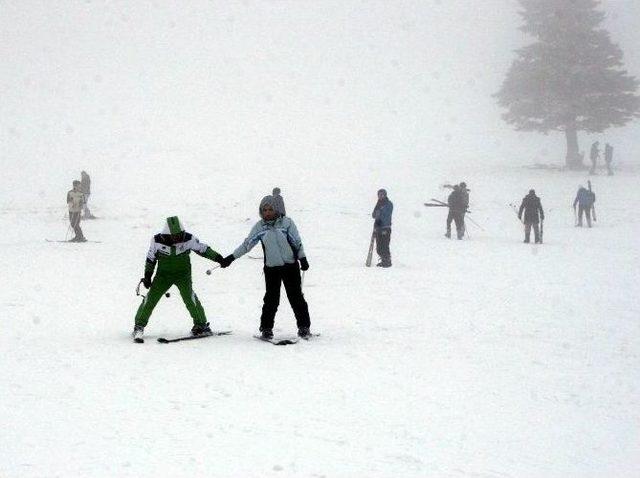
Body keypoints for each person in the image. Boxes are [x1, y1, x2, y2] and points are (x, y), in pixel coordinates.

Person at [220, 196, 311, 339]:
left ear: (276, 210)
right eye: (264, 210)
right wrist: (231, 257)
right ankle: (266, 328)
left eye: (270, 209)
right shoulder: (260, 227)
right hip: (272, 269)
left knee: (296, 297)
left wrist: (303, 258)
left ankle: (304, 327)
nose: (267, 212)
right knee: (271, 299)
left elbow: (296, 242)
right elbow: (247, 245)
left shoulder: (287, 223)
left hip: (290, 266)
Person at [132, 216, 224, 342]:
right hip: (163, 276)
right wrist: (148, 276)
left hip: (183, 275)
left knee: (189, 297)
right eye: (175, 235)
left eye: (180, 234)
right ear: (167, 234)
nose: (178, 237)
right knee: (151, 298)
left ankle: (201, 324)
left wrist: (219, 258)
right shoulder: (157, 241)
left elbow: (203, 249)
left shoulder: (188, 239)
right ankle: (139, 326)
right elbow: (151, 259)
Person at [372, 188, 393, 267]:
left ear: (385, 195)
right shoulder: (378, 203)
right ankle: (383, 260)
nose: (380, 196)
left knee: (384, 245)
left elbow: (387, 215)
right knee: (379, 247)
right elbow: (374, 214)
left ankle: (387, 261)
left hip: (385, 228)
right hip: (378, 228)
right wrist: (376, 216)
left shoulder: (389, 204)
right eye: (379, 195)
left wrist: (380, 217)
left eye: (382, 195)